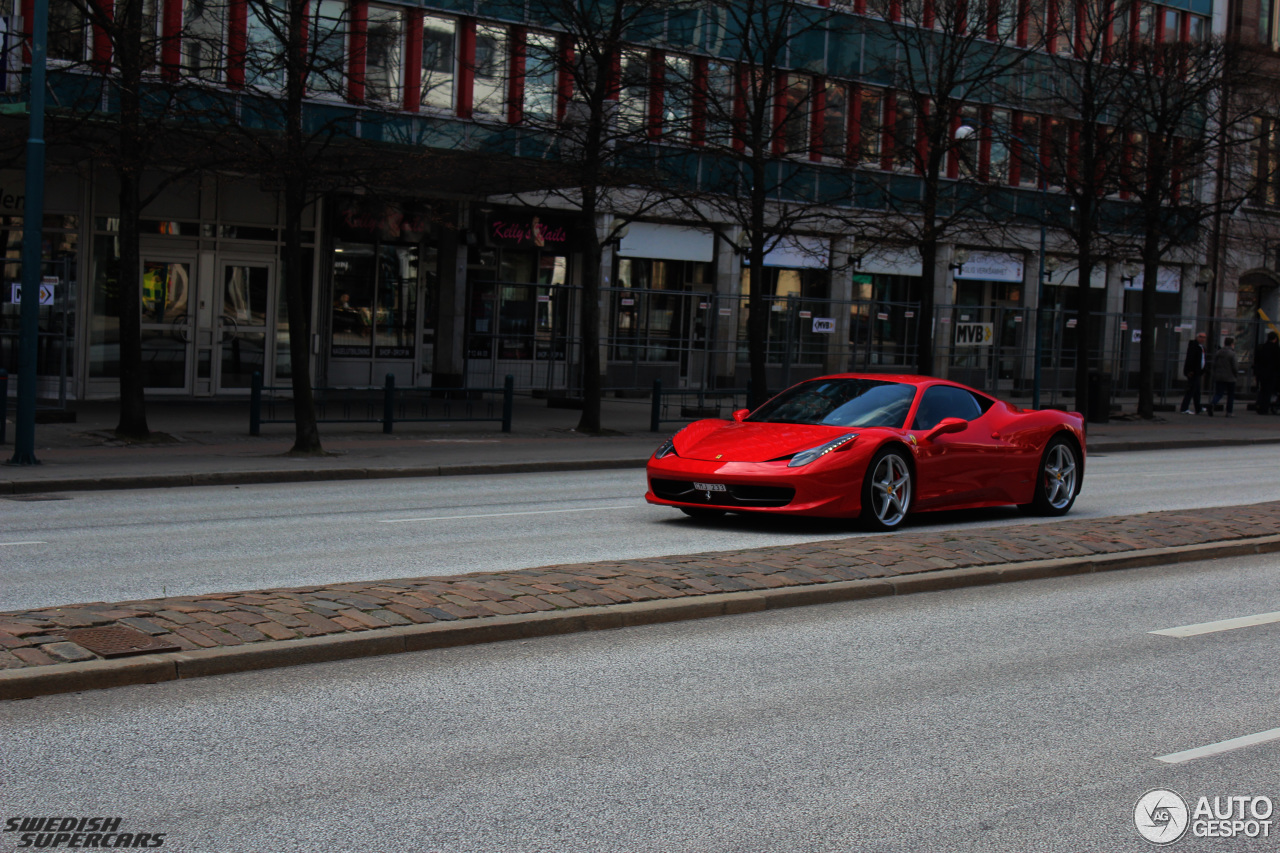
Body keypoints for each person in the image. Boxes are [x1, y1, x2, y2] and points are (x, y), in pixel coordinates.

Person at [1208, 336, 1238, 417]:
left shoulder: (1218, 352)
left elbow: (1214, 364)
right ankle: (1229, 412)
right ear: (1232, 344)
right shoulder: (1232, 353)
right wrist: (1236, 374)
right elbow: (1235, 366)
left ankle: (1212, 403)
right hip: (1230, 377)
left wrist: (1215, 373)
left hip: (1219, 376)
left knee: (1219, 393)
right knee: (1230, 395)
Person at [1181, 332, 1208, 414]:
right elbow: (1190, 359)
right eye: (1201, 337)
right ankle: (1184, 408)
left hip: (1198, 372)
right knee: (1191, 390)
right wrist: (1189, 371)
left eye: (1204, 337)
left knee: (1196, 391)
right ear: (1197, 337)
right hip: (1193, 372)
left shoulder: (1201, 347)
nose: (1203, 339)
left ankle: (1198, 407)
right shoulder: (1194, 346)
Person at [1254, 331, 1280, 415]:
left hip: (1261, 372)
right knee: (1268, 391)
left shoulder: (1261, 347)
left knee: (1262, 389)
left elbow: (1257, 360)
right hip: (1272, 373)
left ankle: (1259, 406)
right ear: (1275, 339)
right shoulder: (1276, 349)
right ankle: (1265, 408)